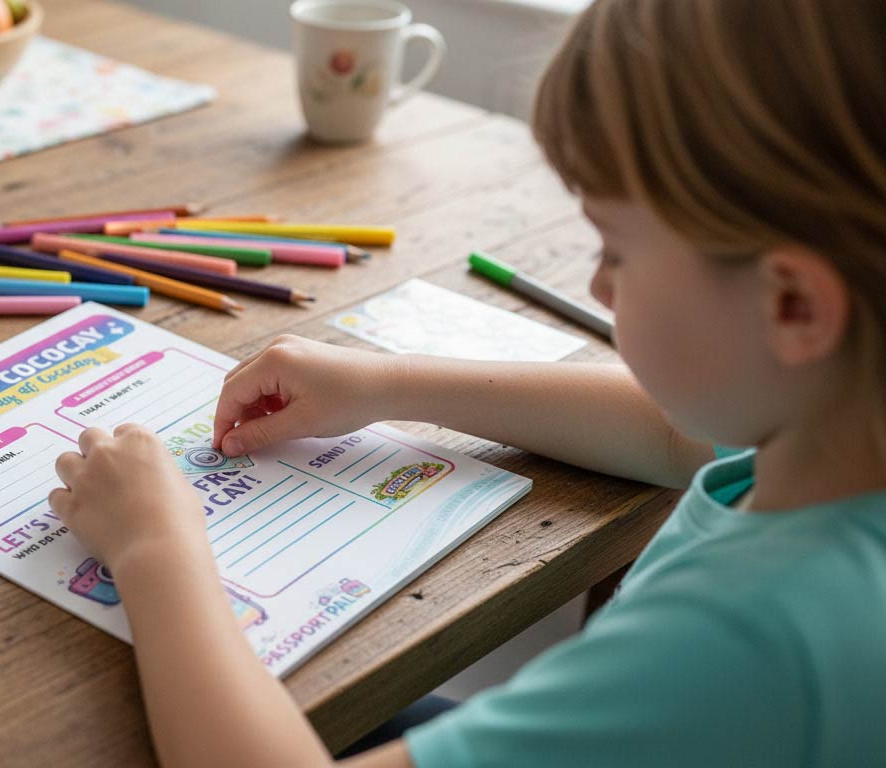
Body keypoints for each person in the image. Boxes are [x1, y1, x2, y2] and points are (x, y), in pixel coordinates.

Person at [48, 0, 886, 764]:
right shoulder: (835, 422)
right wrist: (383, 384)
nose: (599, 286)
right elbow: (676, 434)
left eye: (618, 251)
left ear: (794, 305)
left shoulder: (740, 645)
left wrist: (156, 548)